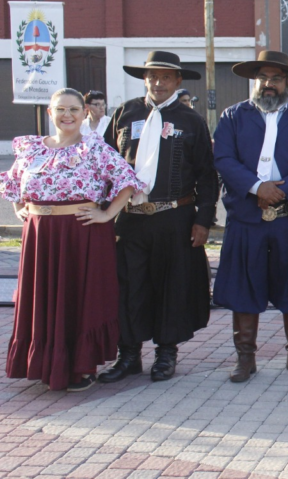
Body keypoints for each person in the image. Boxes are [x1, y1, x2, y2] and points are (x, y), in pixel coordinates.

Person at [1, 89, 144, 392]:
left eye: (74, 110)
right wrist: (22, 208)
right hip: (41, 237)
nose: (67, 115)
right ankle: (44, 364)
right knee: (44, 298)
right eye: (60, 109)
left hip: (82, 235)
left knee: (79, 299)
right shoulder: (31, 149)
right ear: (49, 113)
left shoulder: (94, 148)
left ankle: (79, 367)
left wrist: (107, 215)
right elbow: (13, 184)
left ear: (84, 113)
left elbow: (127, 181)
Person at [99, 51, 218, 384]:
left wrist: (203, 220)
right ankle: (129, 356)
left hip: (174, 217)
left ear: (178, 81)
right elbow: (104, 164)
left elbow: (207, 176)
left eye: (166, 77)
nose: (158, 82)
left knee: (172, 286)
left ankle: (166, 354)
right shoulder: (125, 113)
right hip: (130, 219)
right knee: (129, 286)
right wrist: (101, 212)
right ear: (144, 79)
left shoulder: (191, 121)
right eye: (153, 76)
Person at [212, 50, 288, 383]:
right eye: (262, 77)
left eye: (276, 78)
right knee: (244, 287)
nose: (268, 84)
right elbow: (224, 158)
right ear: (254, 81)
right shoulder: (234, 117)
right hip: (247, 216)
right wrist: (256, 187)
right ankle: (245, 358)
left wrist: (282, 188)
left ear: (287, 81)